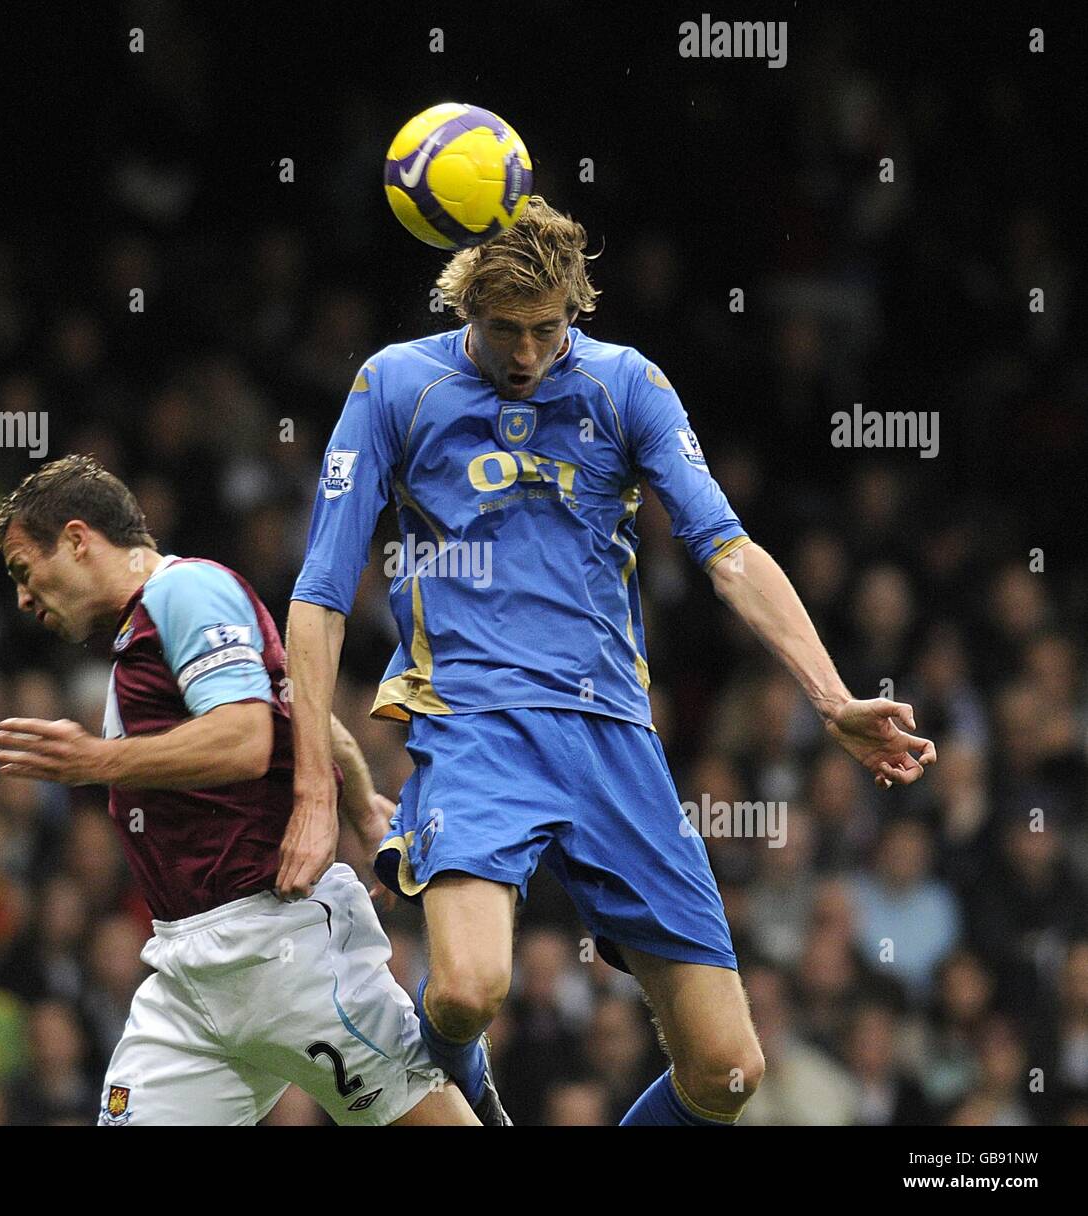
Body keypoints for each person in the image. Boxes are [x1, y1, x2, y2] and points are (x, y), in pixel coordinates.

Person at [282, 196, 937, 1126]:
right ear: (464, 303)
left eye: (544, 330)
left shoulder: (626, 385)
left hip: (612, 737)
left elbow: (728, 549)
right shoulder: (395, 386)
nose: (522, 353)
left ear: (576, 309)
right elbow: (319, 594)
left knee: (728, 1072)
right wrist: (314, 783)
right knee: (467, 991)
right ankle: (447, 1093)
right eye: (501, 328)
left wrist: (831, 700)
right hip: (475, 723)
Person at [0, 455, 475, 1126]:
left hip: (282, 946)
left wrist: (97, 760)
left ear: (76, 539)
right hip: (189, 974)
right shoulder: (149, 627)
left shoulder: (184, 593)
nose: (22, 596)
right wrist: (360, 801)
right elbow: (291, 697)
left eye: (23, 570)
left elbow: (245, 739)